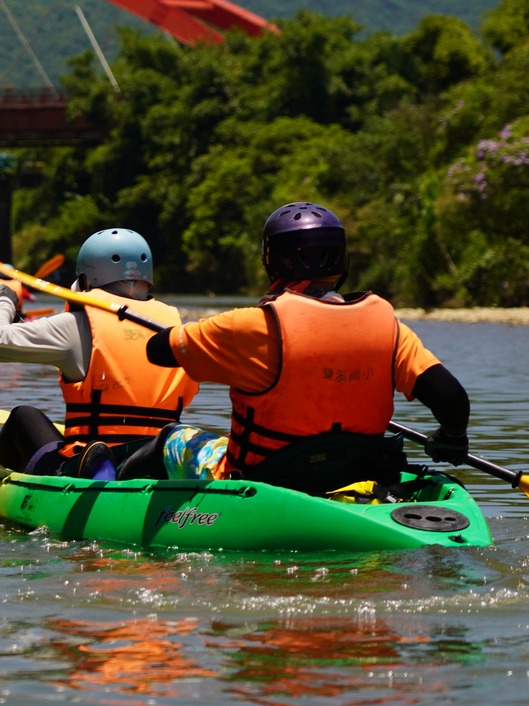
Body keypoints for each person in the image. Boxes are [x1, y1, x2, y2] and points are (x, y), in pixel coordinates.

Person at [144, 203, 470, 497]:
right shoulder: (391, 329)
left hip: (266, 481)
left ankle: (107, 490)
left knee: (172, 438)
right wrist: (451, 438)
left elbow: (157, 350)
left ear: (272, 262)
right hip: (359, 474)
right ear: (343, 260)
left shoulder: (252, 327)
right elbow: (452, 399)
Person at [0, 228, 199, 481]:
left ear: (84, 280)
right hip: (153, 459)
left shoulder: (76, 323)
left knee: (23, 416)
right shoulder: (176, 328)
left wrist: (5, 301)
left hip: (84, 465)